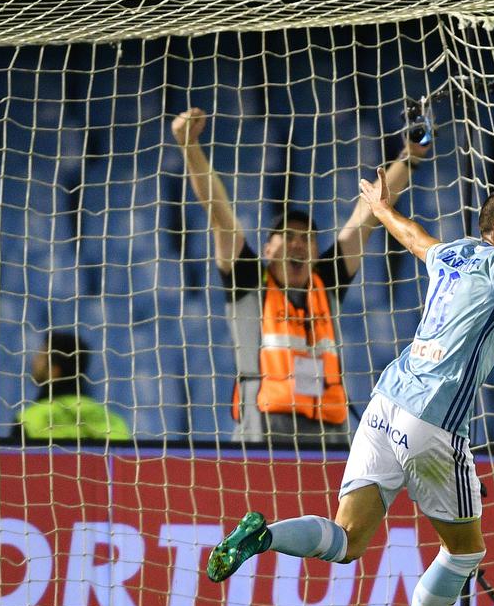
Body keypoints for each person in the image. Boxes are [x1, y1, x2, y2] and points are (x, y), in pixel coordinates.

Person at [205, 173, 494, 606]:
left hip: (386, 403)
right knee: (464, 553)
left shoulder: (452, 255)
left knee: (347, 540)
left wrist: (381, 208)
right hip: (432, 419)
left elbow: (412, 236)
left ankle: (263, 534)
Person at [171, 107, 432, 448]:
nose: (298, 243)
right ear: (268, 248)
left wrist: (411, 155)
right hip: (262, 428)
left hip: (328, 432)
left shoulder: (326, 280)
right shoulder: (249, 278)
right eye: (288, 236)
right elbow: (219, 214)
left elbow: (365, 217)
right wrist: (189, 146)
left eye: (307, 237)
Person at [14, 330, 131, 442]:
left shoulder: (29, 419)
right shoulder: (113, 421)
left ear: (54, 371)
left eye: (40, 357)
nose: (33, 362)